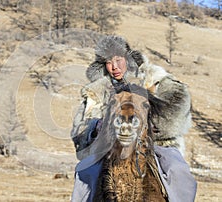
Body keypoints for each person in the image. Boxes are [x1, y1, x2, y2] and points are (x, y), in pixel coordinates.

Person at [70, 35, 197, 202]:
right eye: (108, 62)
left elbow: (175, 112)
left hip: (156, 147)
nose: (114, 66)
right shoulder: (96, 93)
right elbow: (79, 129)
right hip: (109, 151)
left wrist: (146, 125)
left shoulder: (156, 80)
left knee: (178, 171)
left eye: (118, 59)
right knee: (84, 173)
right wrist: (95, 129)